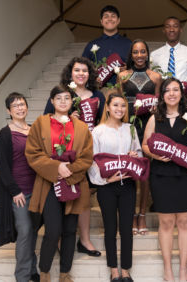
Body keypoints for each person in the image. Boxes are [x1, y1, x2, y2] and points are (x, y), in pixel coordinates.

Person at [26, 85, 93, 282]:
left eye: (67, 98)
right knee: (53, 230)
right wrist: (56, 167)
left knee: (70, 230)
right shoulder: (40, 123)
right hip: (49, 184)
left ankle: (65, 273)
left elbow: (87, 157)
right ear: (52, 101)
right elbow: (33, 153)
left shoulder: (81, 127)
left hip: (74, 183)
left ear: (72, 102)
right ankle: (45, 271)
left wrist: (69, 170)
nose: (63, 101)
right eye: (59, 98)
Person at [43, 57, 104, 257]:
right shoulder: (61, 95)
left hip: (87, 152)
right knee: (61, 191)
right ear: (71, 73)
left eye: (84, 71)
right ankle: (59, 237)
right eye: (77, 70)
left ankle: (84, 240)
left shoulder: (97, 96)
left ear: (90, 74)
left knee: (84, 195)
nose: (81, 74)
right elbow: (46, 121)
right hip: (62, 154)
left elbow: (103, 122)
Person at [142, 78, 187, 282]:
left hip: (186, 176)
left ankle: (183, 269)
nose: (172, 94)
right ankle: (168, 270)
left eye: (176, 90)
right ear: (162, 95)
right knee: (166, 222)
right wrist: (155, 155)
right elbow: (145, 145)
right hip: (161, 175)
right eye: (168, 90)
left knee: (184, 221)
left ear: (181, 94)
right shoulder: (154, 118)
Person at [88, 93, 141, 282]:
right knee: (110, 228)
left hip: (127, 184)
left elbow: (139, 152)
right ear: (108, 108)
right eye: (116, 105)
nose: (120, 109)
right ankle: (113, 269)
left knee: (126, 228)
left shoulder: (131, 129)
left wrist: (135, 154)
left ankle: (125, 269)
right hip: (107, 186)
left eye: (123, 106)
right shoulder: (98, 132)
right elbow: (92, 162)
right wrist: (105, 181)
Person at [118, 38, 162, 236]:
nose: (139, 56)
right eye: (135, 52)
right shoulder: (122, 76)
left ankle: (142, 213)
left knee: (144, 171)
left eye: (143, 51)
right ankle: (128, 214)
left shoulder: (155, 77)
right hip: (127, 125)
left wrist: (155, 108)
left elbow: (159, 105)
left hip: (147, 126)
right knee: (128, 168)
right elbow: (118, 103)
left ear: (147, 53)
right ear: (131, 54)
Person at [0, 92, 39, 282]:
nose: (20, 108)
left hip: (38, 190)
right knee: (25, 230)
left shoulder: (34, 129)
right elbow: (2, 166)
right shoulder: (5, 134)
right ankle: (22, 276)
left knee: (33, 230)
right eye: (15, 106)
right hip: (20, 192)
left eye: (22, 104)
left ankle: (32, 269)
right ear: (9, 111)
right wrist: (15, 191)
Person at [151, 17, 187, 99]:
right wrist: (157, 97)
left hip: (183, 102)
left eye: (175, 26)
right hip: (161, 101)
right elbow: (152, 81)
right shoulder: (154, 55)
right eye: (168, 26)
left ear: (180, 30)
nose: (171, 29)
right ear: (164, 30)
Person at [82, 5, 131, 85]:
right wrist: (92, 75)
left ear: (118, 20)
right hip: (97, 91)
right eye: (106, 16)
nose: (110, 19)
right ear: (101, 21)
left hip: (123, 90)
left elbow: (138, 68)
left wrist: (128, 69)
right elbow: (82, 68)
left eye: (113, 16)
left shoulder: (129, 44)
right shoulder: (91, 45)